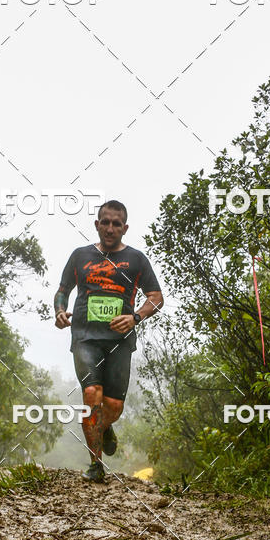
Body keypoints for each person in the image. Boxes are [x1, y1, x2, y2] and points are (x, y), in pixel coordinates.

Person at [54, 200, 164, 482]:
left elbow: (156, 297)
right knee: (92, 395)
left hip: (120, 340)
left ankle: (104, 427)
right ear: (97, 224)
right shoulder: (80, 256)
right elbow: (63, 290)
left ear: (125, 228)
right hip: (85, 337)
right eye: (106, 222)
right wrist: (59, 311)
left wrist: (136, 317)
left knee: (113, 406)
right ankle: (96, 464)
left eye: (117, 223)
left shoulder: (137, 259)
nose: (110, 228)